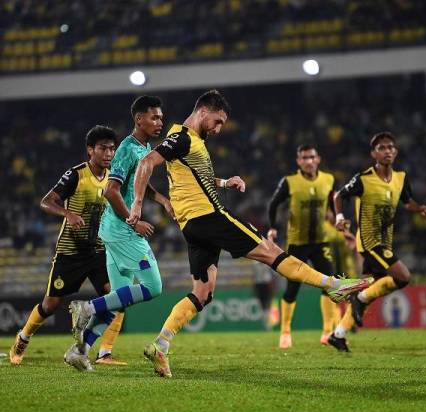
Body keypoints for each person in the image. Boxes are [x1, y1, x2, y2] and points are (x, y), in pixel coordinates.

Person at [127, 89, 372, 378]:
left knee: (203, 293)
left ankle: (160, 344)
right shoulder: (182, 138)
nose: (218, 129)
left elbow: (189, 175)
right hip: (209, 217)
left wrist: (224, 181)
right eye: (217, 122)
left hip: (191, 225)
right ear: (204, 111)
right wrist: (137, 206)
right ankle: (332, 284)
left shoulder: (185, 140)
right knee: (272, 252)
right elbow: (146, 163)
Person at [66, 96, 173, 371]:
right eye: (154, 117)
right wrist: (133, 221)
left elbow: (136, 182)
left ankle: (80, 351)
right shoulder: (126, 149)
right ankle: (87, 307)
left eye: (161, 118)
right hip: (122, 229)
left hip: (112, 230)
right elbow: (111, 190)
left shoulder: (144, 147)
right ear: (139, 119)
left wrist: (160, 198)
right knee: (153, 287)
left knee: (119, 298)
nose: (159, 122)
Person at [9, 126, 120, 365]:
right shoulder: (76, 175)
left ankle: (105, 353)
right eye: (103, 148)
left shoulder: (114, 176)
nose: (109, 153)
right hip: (70, 252)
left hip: (99, 251)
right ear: (90, 150)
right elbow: (46, 202)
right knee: (51, 304)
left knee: (117, 297)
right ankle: (23, 337)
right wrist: (67, 213)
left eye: (112, 148)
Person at [329, 131, 426, 352]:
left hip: (385, 242)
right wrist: (339, 217)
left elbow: (407, 203)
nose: (387, 151)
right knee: (403, 277)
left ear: (395, 152)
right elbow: (339, 195)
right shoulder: (364, 178)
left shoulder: (400, 178)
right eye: (382, 148)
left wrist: (421, 208)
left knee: (370, 287)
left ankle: (338, 334)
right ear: (373, 153)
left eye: (390, 148)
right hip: (369, 241)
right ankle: (357, 298)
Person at [267, 144, 339, 348]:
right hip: (297, 243)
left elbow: (333, 201)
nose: (308, 161)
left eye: (311, 157)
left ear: (318, 159)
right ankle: (285, 332)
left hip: (320, 241)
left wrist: (338, 217)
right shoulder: (290, 182)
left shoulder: (329, 179)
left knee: (330, 284)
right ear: (298, 161)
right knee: (292, 289)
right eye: (304, 158)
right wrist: (273, 227)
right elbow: (273, 204)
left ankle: (327, 332)